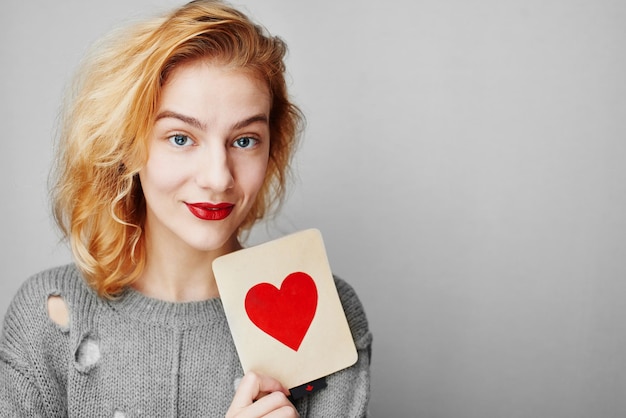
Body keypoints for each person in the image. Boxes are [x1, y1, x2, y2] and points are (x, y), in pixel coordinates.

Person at [0, 1, 372, 417]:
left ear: (272, 151)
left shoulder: (327, 314)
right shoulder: (51, 316)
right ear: (127, 146)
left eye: (245, 140)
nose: (218, 177)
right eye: (180, 138)